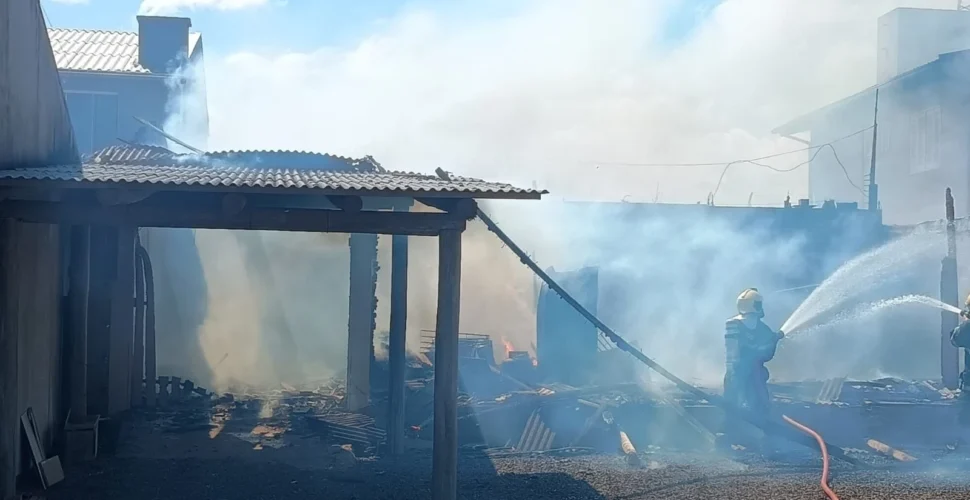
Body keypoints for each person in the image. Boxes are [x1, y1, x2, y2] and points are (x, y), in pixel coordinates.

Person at [720, 287, 785, 451]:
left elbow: (767, 355)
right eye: (758, 303)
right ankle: (729, 438)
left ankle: (760, 438)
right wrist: (770, 341)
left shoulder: (762, 328)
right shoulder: (734, 324)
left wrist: (774, 341)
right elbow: (739, 351)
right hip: (738, 373)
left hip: (755, 374)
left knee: (760, 404)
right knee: (732, 404)